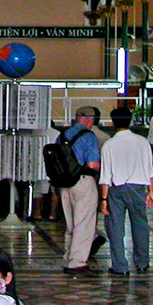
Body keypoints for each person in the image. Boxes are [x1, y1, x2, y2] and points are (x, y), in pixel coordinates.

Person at [99, 106, 153, 275]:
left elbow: (105, 175)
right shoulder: (142, 142)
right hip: (138, 188)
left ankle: (120, 266)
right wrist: (151, 192)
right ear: (130, 120)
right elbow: (149, 169)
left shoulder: (109, 144)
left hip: (117, 189)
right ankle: (142, 263)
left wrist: (103, 199)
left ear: (113, 122)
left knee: (115, 228)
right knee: (140, 226)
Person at [58, 107, 103, 274]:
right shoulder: (89, 136)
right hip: (83, 181)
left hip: (64, 183)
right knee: (84, 223)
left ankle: (68, 257)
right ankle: (77, 263)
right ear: (90, 120)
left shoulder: (62, 135)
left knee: (70, 223)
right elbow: (93, 164)